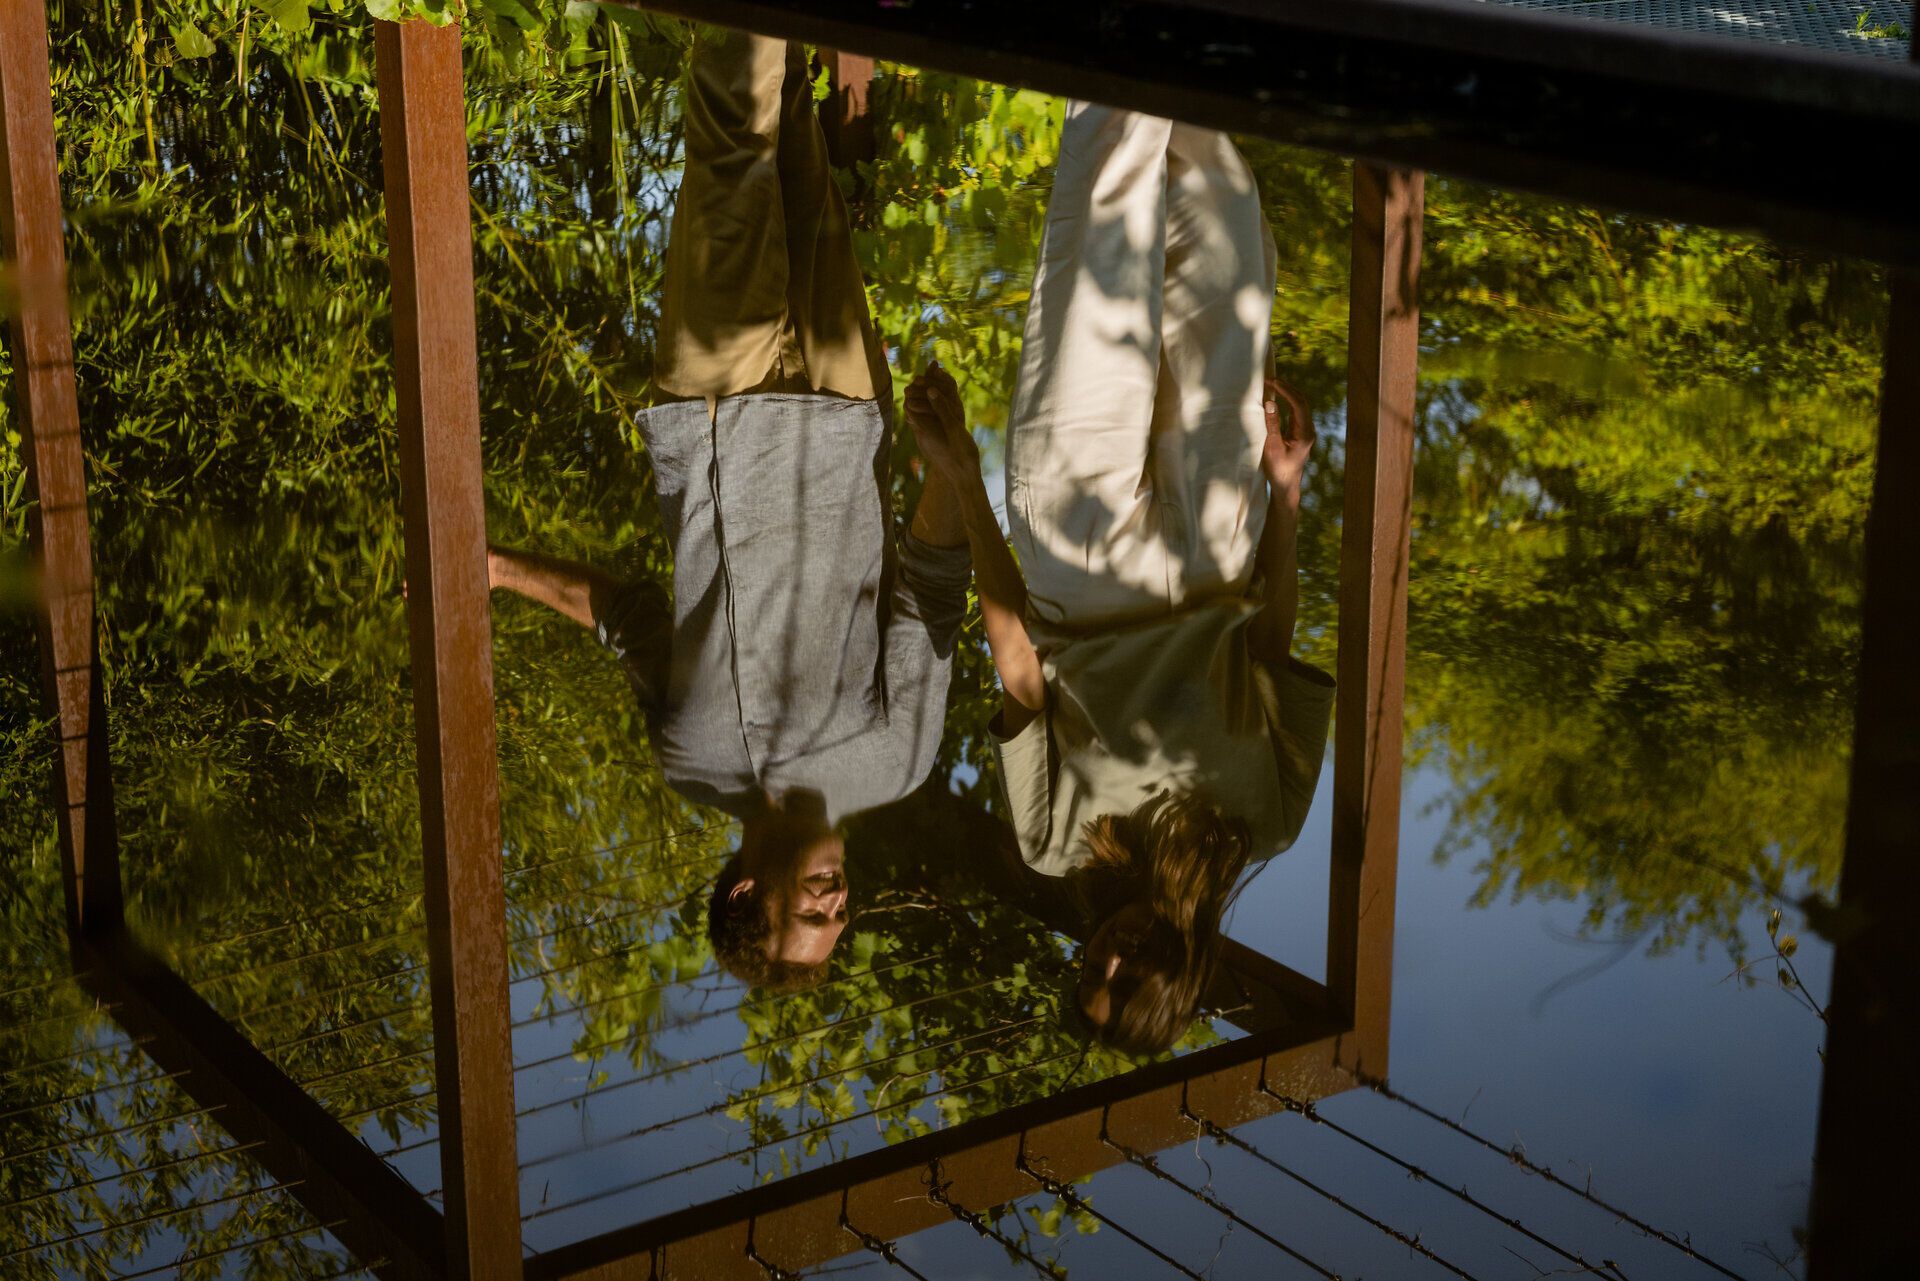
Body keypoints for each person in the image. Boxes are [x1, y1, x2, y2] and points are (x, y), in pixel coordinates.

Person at [489, 29, 971, 992]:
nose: (837, 903)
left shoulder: (687, 761)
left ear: (747, 892)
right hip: (841, 409)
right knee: (788, 123)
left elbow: (623, 618)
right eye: (840, 916)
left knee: (728, 136)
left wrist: (495, 570)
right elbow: (930, 595)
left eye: (812, 914)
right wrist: (944, 468)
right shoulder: (895, 767)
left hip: (709, 406)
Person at [904, 103, 1334, 1052]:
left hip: (1081, 550)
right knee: (1219, 200)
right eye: (1126, 982)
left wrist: (962, 483)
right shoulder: (1265, 826)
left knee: (1106, 213)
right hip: (1219, 538)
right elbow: (1271, 643)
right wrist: (1289, 499)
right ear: (1175, 987)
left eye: (1090, 971)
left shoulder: (1054, 843)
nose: (1107, 957)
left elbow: (1018, 666)